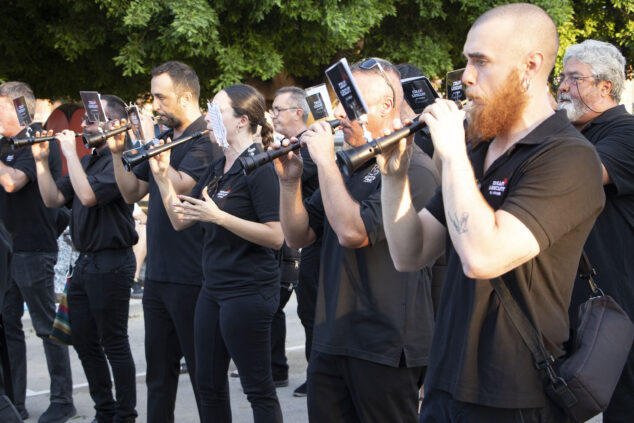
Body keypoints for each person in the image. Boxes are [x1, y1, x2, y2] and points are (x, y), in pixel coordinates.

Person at [378, 3, 605, 422]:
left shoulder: (569, 157)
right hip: (447, 381)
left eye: (480, 61)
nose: (465, 76)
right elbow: (409, 253)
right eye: (467, 60)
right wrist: (394, 176)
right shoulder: (479, 150)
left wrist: (450, 153)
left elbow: (483, 256)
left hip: (514, 394)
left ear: (529, 66)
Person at [274, 58, 438, 422]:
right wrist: (290, 182)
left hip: (385, 343)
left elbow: (353, 233)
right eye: (340, 103)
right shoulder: (353, 164)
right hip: (333, 335)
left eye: (351, 104)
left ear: (385, 106)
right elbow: (298, 235)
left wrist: (326, 162)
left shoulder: (415, 167)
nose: (339, 114)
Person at [152, 84, 284, 422]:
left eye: (217, 113)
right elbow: (180, 221)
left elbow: (276, 237)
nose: (208, 121)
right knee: (207, 385)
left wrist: (220, 217)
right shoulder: (216, 169)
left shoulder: (260, 168)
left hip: (248, 291)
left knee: (257, 390)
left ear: (241, 121)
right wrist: (163, 176)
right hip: (212, 290)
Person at [108, 61, 220, 423]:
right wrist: (116, 151)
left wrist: (145, 142)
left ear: (187, 97)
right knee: (158, 379)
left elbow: (180, 184)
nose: (154, 104)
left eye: (161, 97)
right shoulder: (166, 138)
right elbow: (130, 193)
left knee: (206, 381)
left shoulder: (207, 140)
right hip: (157, 275)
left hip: (193, 277)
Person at [32, 95, 138, 423]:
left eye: (93, 118)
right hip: (85, 262)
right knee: (84, 340)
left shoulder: (121, 161)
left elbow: (88, 197)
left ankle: (125, 414)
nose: (84, 125)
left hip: (112, 261)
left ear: (114, 124)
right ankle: (104, 410)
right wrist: (39, 161)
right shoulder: (91, 159)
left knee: (113, 342)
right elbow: (53, 198)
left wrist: (68, 154)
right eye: (87, 118)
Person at [557, 39, 634, 423]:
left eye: (574, 78)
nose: (563, 87)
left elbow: (578, 177)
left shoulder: (627, 132)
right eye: (563, 77)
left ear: (606, 87)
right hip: (571, 306)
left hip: (614, 310)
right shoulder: (575, 133)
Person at [0, 81, 76, 423]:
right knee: (8, 326)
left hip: (34, 246)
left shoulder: (38, 139)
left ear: (18, 107)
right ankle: (13, 401)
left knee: (47, 326)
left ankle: (63, 399)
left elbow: (13, 181)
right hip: (7, 248)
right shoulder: (3, 144)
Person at [270, 86, 319, 396]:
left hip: (313, 239)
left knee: (313, 312)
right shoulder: (286, 145)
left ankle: (318, 375)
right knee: (301, 310)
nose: (272, 115)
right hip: (293, 236)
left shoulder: (312, 145)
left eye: (278, 109)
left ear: (298, 113)